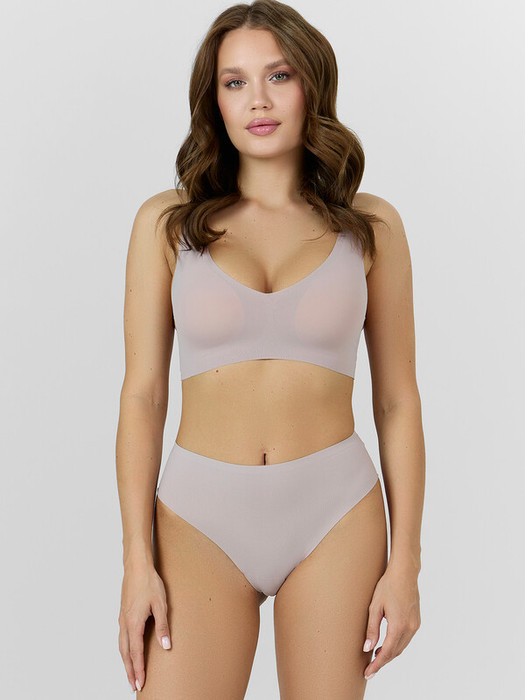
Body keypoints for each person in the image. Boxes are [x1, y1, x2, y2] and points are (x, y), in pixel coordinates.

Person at [116, 0, 425, 697]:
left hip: (335, 514)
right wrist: (136, 558)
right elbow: (143, 394)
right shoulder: (167, 225)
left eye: (278, 76)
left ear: (311, 85)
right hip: (197, 519)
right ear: (214, 100)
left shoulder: (370, 226)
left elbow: (397, 401)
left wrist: (405, 562)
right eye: (234, 82)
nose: (257, 99)